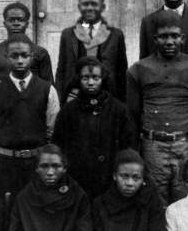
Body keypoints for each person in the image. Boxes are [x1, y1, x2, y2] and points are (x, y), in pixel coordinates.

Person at [127, 10, 188, 205]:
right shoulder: (139, 70)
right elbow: (132, 116)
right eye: (164, 36)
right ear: (155, 38)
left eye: (174, 36)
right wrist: (133, 154)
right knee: (156, 204)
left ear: (182, 38)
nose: (169, 41)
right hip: (154, 146)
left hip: (187, 144)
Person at [0, 33, 60, 200]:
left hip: (37, 163)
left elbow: (52, 128)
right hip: (6, 163)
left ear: (32, 57)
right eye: (14, 56)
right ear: (7, 57)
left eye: (24, 55)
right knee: (9, 211)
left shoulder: (47, 89)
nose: (20, 60)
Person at [52, 57, 137, 198]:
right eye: (86, 78)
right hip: (78, 178)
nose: (91, 82)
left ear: (102, 78)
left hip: (109, 177)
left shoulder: (118, 110)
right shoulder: (68, 111)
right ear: (79, 79)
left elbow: (128, 145)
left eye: (95, 77)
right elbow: (59, 145)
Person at [55, 0, 128, 103]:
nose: (89, 8)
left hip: (107, 94)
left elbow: (121, 72)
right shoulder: (68, 35)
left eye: (94, 4)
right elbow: (61, 70)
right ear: (79, 6)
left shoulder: (115, 35)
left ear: (102, 7)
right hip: (75, 94)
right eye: (85, 4)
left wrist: (122, 102)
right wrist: (60, 98)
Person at [0, 2, 53, 102]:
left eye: (20, 20)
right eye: (11, 20)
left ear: (27, 23)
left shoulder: (40, 52)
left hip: (34, 105)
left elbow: (49, 87)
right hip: (3, 106)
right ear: (4, 23)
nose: (16, 23)